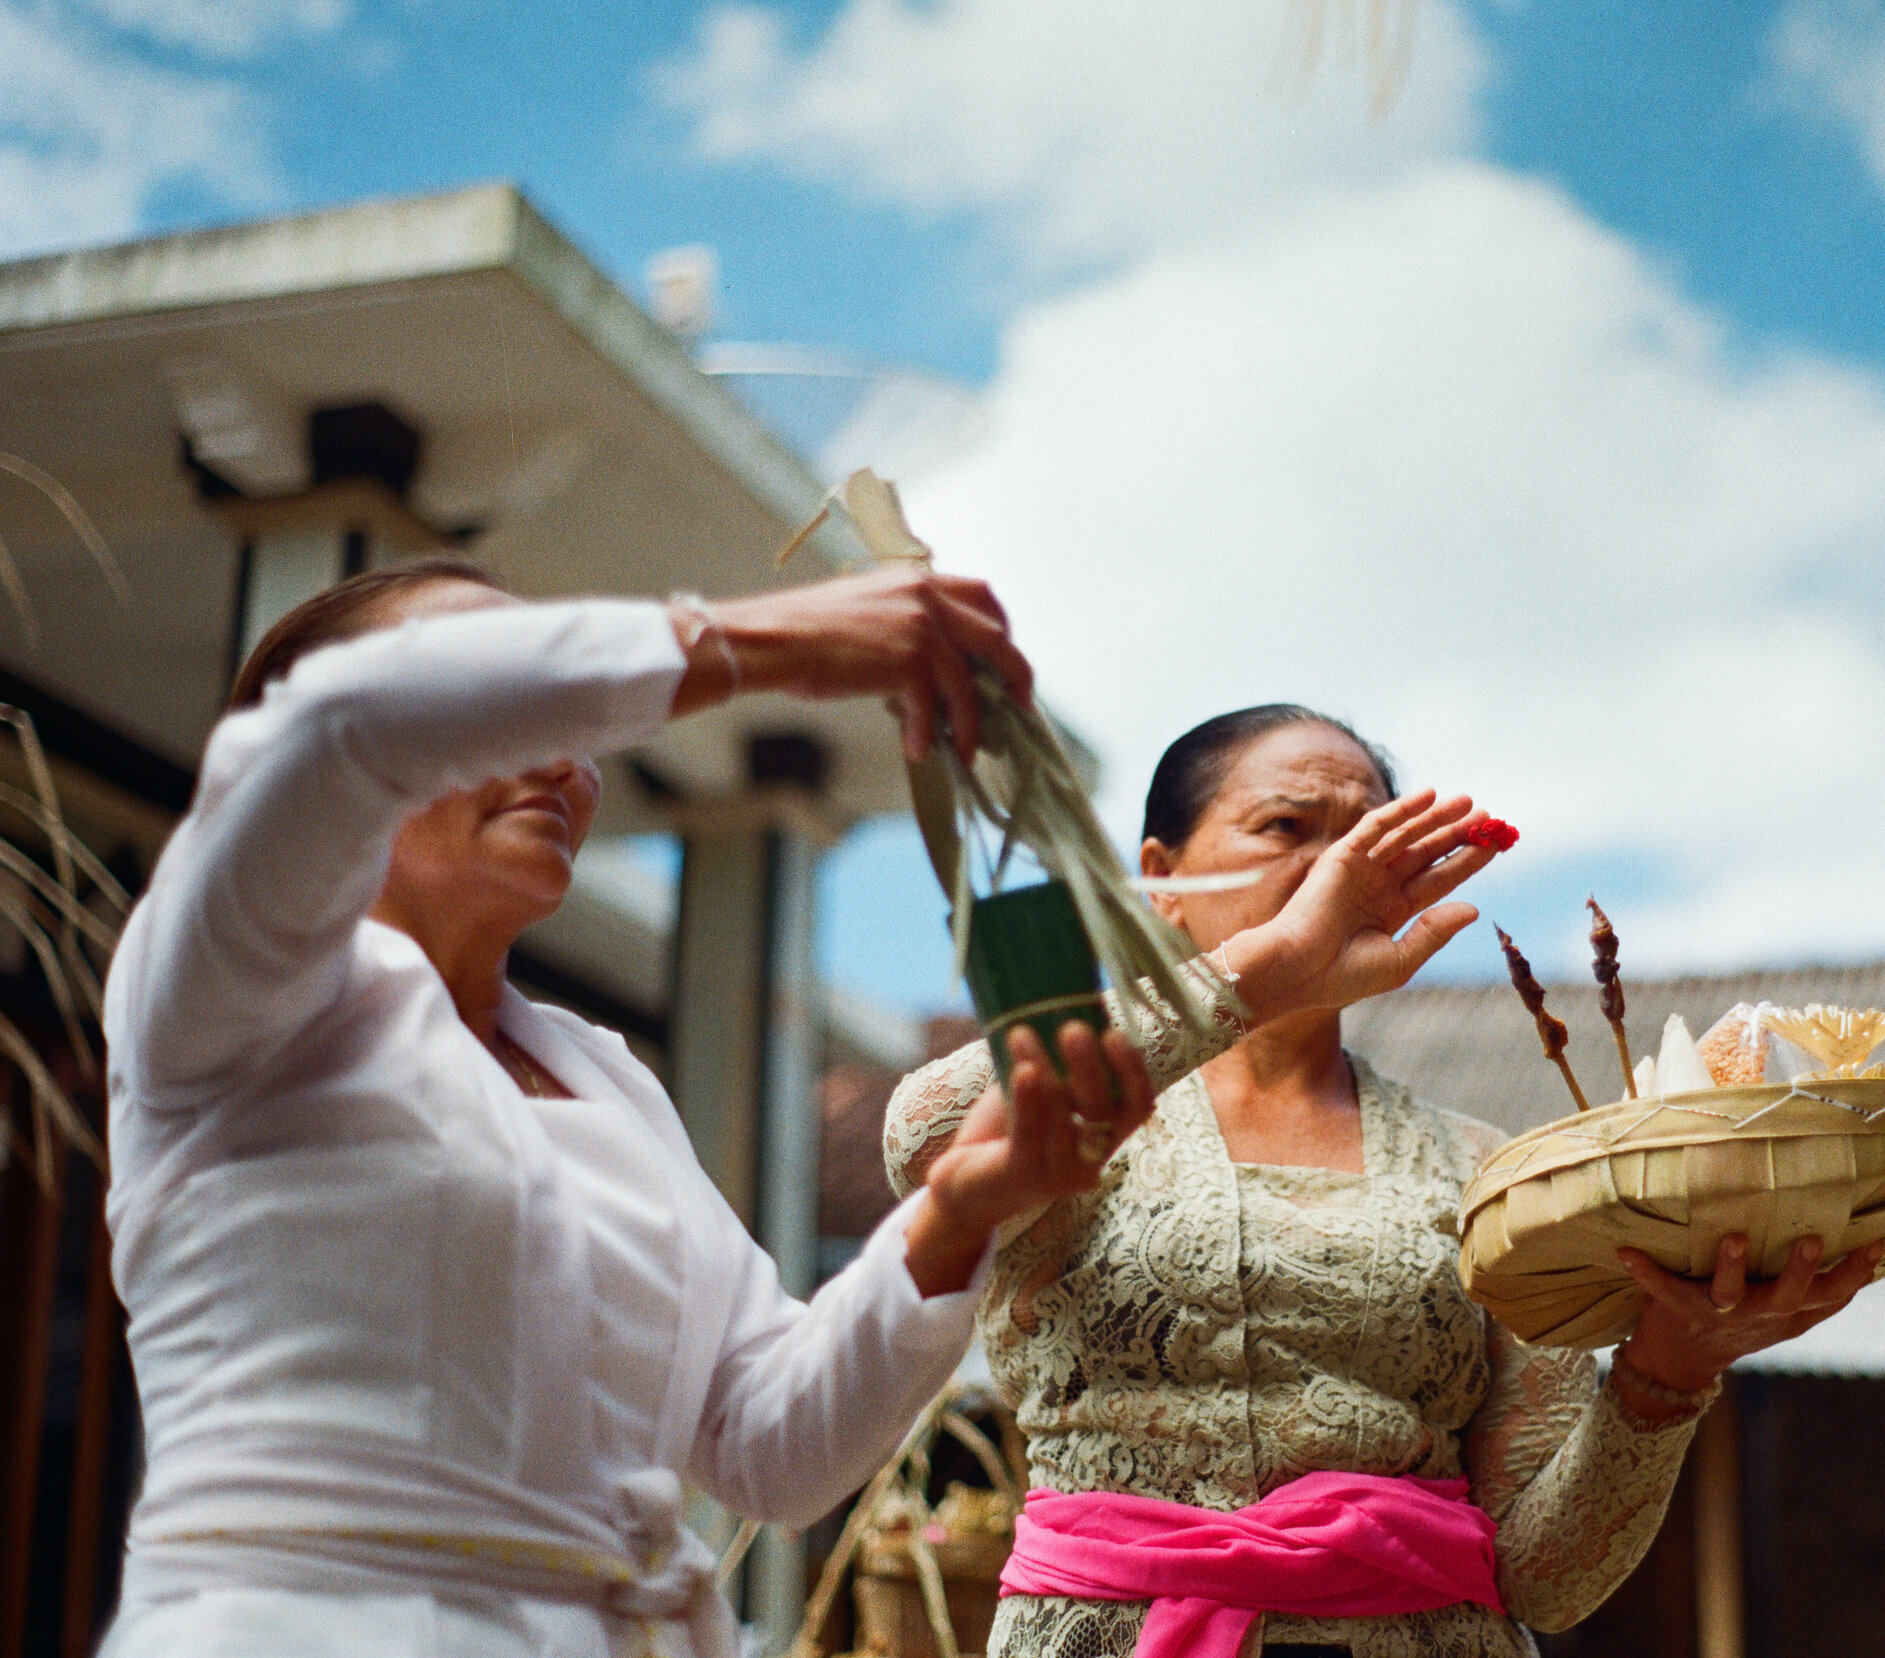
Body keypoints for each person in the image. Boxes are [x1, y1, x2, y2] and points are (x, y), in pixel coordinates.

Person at [98, 557, 1164, 1658]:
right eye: (500, 700)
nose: (564, 756)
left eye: (567, 720)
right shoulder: (220, 986)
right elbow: (344, 723)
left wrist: (957, 1210)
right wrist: (774, 640)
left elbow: (771, 1447)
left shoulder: (601, 1075)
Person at [885, 705, 1882, 1658]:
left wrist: (1670, 1365)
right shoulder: (1082, 1126)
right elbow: (926, 1137)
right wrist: (1259, 970)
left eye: (1367, 839)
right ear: (1163, 880)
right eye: (1286, 826)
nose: (1334, 871)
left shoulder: (1484, 1172)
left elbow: (1543, 1580)